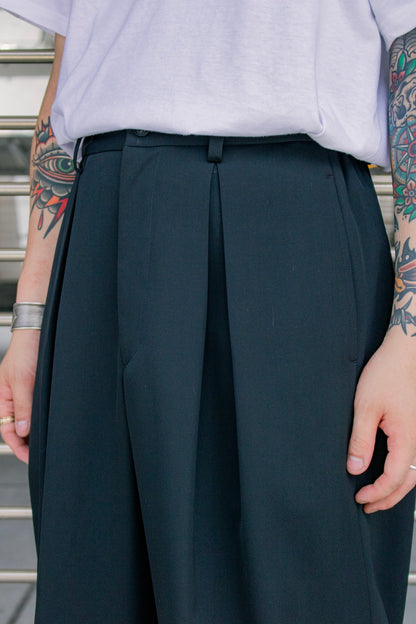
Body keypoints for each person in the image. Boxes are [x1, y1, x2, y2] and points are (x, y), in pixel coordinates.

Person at [1, 1, 416, 622]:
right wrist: (30, 318)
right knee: (98, 575)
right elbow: (72, 60)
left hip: (295, 225)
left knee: (311, 581)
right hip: (106, 217)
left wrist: (410, 340)